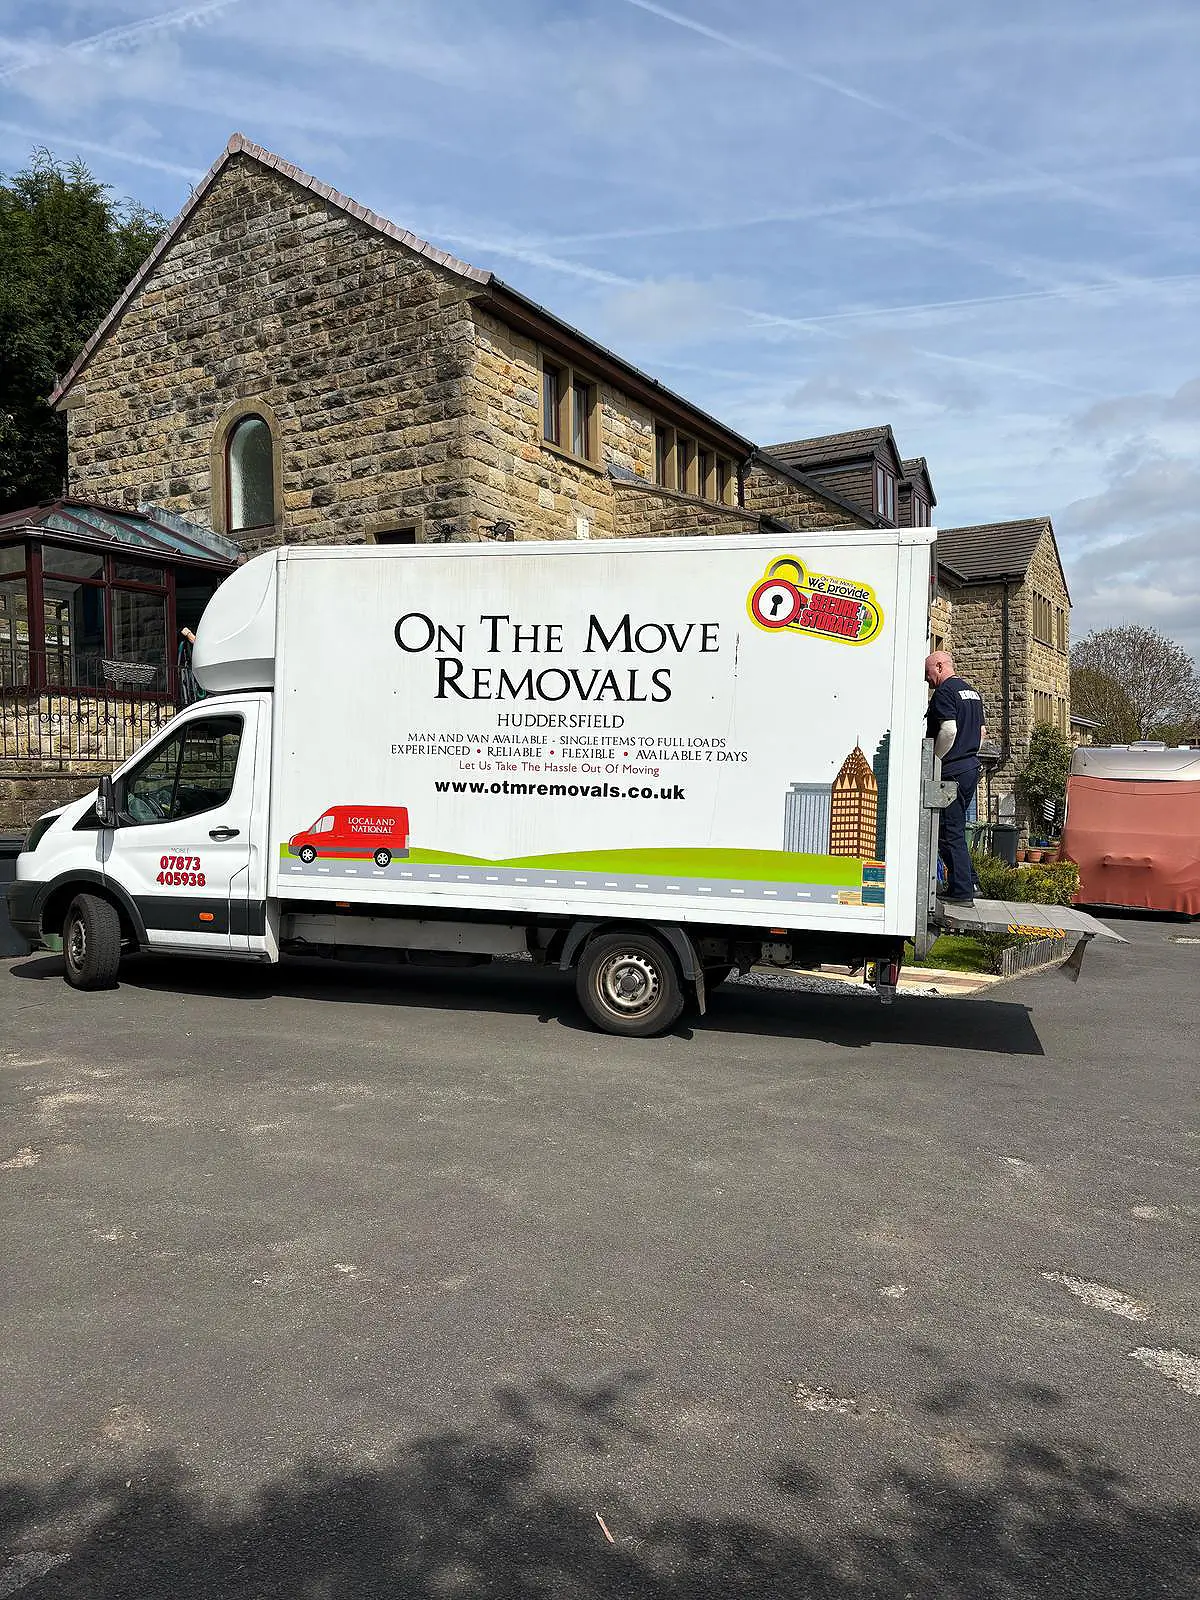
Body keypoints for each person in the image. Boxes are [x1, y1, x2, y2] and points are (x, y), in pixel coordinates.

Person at [924, 651, 985, 906]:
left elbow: (948, 730)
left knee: (949, 832)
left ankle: (961, 891)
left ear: (939, 666)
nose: (927, 681)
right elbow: (981, 732)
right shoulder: (972, 693)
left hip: (951, 771)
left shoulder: (945, 692)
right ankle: (970, 881)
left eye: (928, 674)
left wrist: (934, 761)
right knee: (955, 828)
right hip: (970, 767)